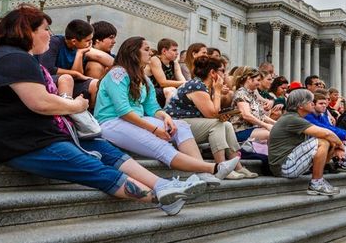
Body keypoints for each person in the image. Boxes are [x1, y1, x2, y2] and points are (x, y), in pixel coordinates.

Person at [0, 5, 206, 215]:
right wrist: (76, 105)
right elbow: (40, 102)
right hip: (19, 142)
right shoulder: (11, 58)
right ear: (27, 32)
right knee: (90, 166)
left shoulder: (18, 58)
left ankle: (163, 185)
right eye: (45, 29)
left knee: (101, 147)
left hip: (40, 134)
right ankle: (158, 197)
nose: (50, 35)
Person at [94, 36, 224, 186]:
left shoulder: (144, 78)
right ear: (133, 52)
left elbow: (152, 108)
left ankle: (202, 173)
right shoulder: (117, 74)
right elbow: (123, 111)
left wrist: (165, 117)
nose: (151, 53)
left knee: (180, 126)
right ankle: (212, 168)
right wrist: (155, 129)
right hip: (111, 122)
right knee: (159, 143)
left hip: (136, 119)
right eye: (147, 49)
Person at [164, 56, 256, 180]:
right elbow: (211, 114)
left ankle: (238, 166)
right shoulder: (196, 86)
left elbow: (212, 113)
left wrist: (221, 114)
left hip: (188, 123)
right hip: (176, 125)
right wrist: (217, 91)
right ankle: (222, 167)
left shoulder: (204, 85)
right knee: (217, 124)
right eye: (222, 71)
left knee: (227, 125)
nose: (225, 74)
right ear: (213, 73)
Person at [267, 88, 343, 195]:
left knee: (330, 142)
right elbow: (326, 133)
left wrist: (336, 145)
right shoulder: (291, 119)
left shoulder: (294, 118)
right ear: (300, 105)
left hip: (286, 164)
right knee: (323, 141)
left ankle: (318, 180)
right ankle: (316, 183)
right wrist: (341, 146)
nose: (313, 104)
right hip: (283, 166)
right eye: (310, 101)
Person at [39, 19, 112, 106]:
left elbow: (78, 74)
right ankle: (66, 113)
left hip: (72, 82)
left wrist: (79, 54)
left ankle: (93, 115)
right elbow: (48, 69)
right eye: (87, 40)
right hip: (54, 80)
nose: (90, 44)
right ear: (74, 41)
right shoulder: (55, 42)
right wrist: (74, 74)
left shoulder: (79, 48)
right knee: (67, 78)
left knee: (95, 84)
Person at [304, 91, 346, 170]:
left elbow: (332, 128)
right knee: (332, 142)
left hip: (320, 139)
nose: (324, 105)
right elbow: (325, 129)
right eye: (321, 103)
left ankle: (343, 162)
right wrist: (344, 139)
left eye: (325, 103)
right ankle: (341, 163)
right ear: (313, 105)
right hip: (308, 144)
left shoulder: (321, 114)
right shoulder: (308, 116)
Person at [229, 67, 275, 143]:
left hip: (251, 128)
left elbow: (261, 116)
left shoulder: (251, 94)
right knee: (271, 134)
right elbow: (246, 115)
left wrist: (275, 123)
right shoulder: (241, 93)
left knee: (277, 131)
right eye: (258, 80)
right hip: (240, 130)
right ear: (249, 79)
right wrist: (266, 125)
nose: (259, 83)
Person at [148, 38, 186, 107]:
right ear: (164, 51)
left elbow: (182, 80)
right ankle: (167, 113)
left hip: (164, 93)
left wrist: (187, 85)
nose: (177, 53)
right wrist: (186, 83)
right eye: (174, 50)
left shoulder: (174, 63)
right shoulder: (155, 59)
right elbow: (162, 83)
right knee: (171, 90)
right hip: (150, 92)